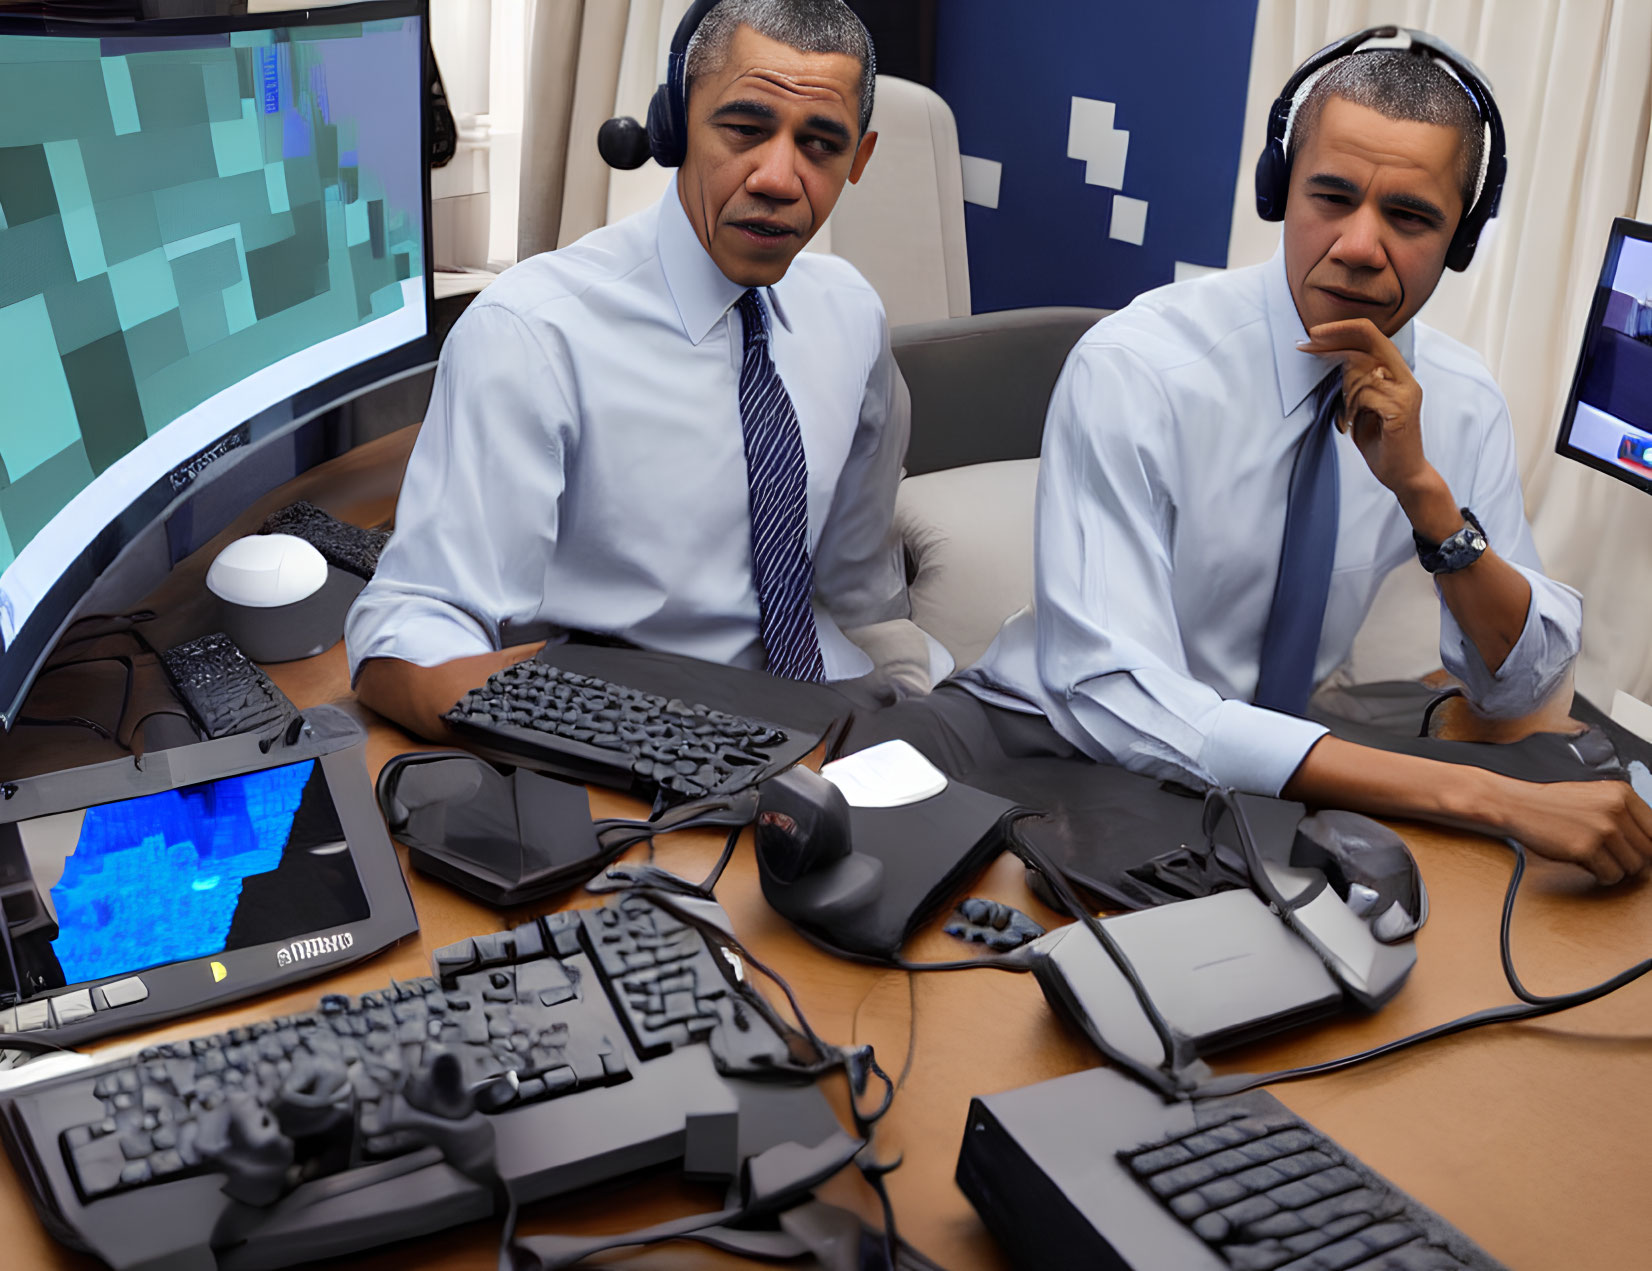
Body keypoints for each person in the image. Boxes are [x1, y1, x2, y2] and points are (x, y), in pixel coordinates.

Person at [931, 39, 1652, 884]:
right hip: (1048, 743)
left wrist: (1426, 498)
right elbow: (1115, 695)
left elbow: (1517, 690)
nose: (1357, 244)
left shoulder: (1457, 397)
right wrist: (1477, 794)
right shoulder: (1136, 366)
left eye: (1410, 217)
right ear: (1280, 192)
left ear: (1462, 238)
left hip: (1257, 775)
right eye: (1332, 197)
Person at [347, 0, 937, 741]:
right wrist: (626, 744)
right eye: (746, 129)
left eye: (821, 144)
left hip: (843, 722)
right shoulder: (533, 335)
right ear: (674, 124)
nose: (781, 178)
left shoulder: (850, 312)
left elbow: (859, 589)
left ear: (860, 158)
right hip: (652, 744)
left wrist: (911, 707)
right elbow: (409, 631)